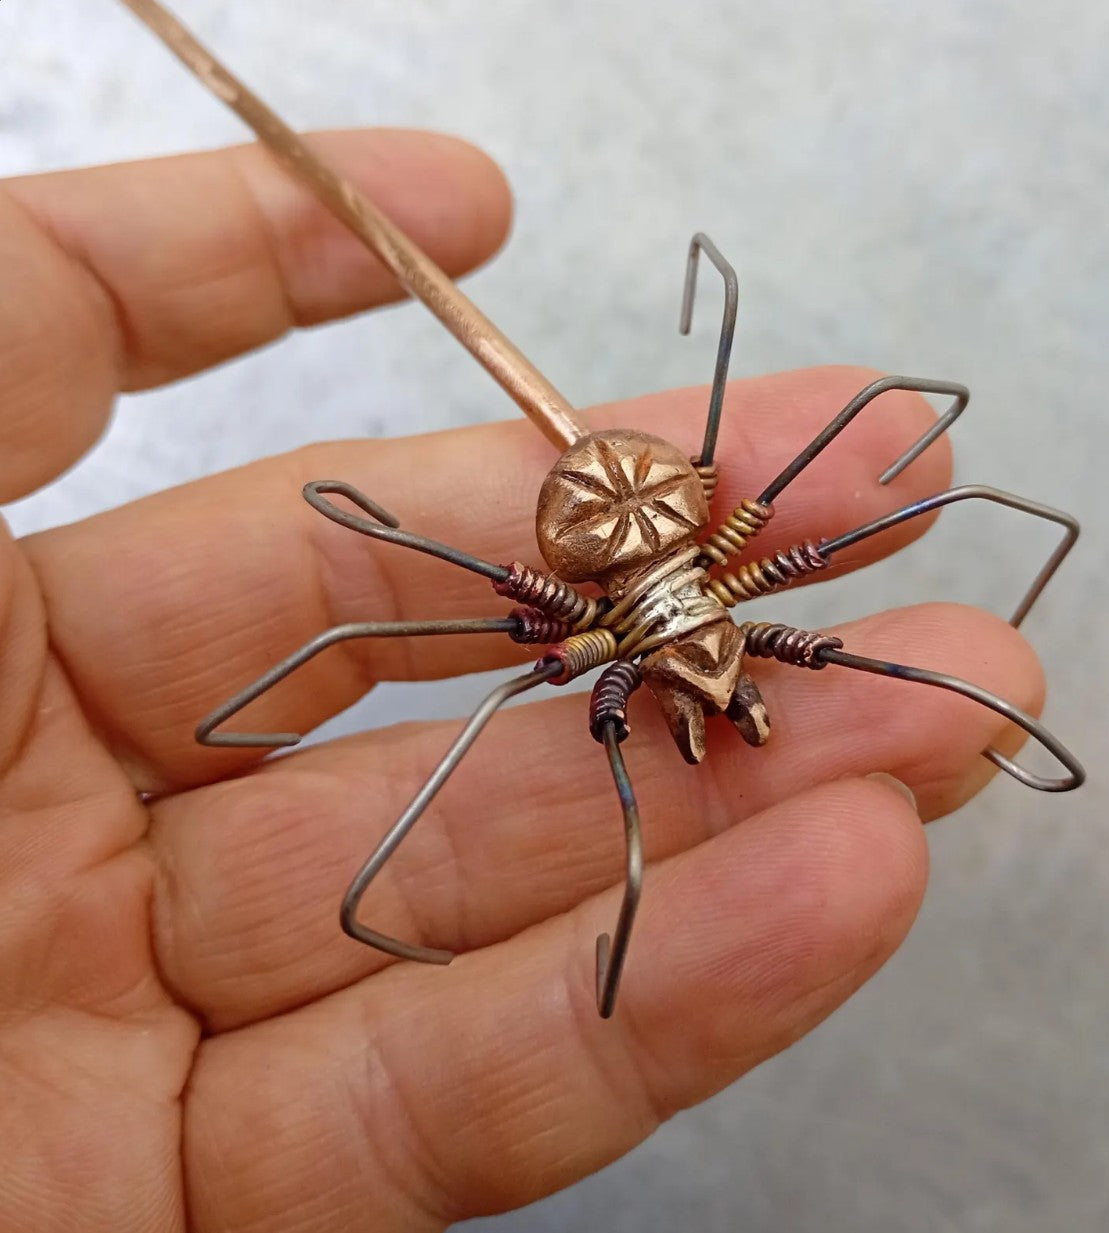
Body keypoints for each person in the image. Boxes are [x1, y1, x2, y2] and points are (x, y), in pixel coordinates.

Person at [0, 128, 1040, 1230]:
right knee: (573, 730)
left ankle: (971, 697)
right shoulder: (646, 626)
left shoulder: (653, 631)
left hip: (648, 553)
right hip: (635, 552)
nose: (728, 695)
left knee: (902, 521)